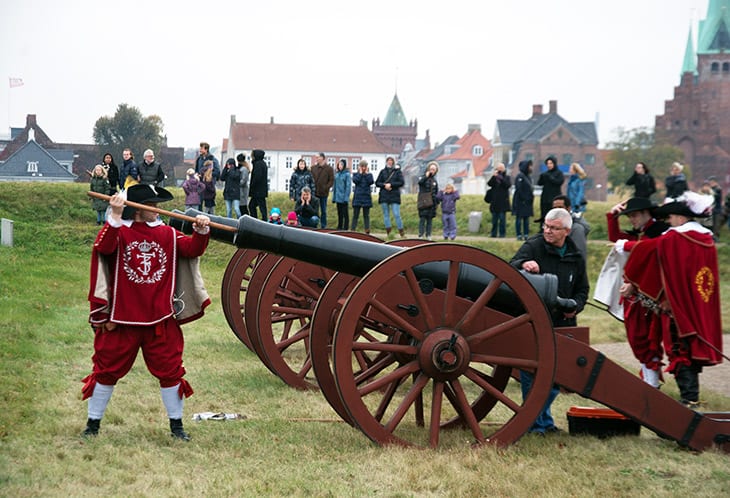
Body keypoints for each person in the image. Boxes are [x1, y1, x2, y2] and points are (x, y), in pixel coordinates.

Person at [83, 184, 211, 440]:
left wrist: (201, 230)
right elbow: (104, 247)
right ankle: (93, 425)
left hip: (160, 318)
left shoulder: (168, 234)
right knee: (106, 370)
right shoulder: (118, 232)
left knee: (171, 371)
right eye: (152, 206)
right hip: (121, 319)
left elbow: (193, 250)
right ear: (139, 210)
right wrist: (116, 216)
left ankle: (177, 427)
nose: (157, 210)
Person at [622, 192, 722, 406]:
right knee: (691, 344)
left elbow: (649, 251)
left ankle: (689, 398)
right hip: (698, 301)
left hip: (677, 304)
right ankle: (690, 394)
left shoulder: (675, 237)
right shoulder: (706, 240)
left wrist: (623, 246)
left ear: (680, 217)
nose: (668, 223)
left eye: (670, 218)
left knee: (678, 346)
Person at [510, 208, 589, 434]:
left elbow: (583, 289)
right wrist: (524, 265)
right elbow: (511, 265)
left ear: (567, 230)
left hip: (562, 322)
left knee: (556, 374)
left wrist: (576, 305)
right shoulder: (534, 246)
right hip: (535, 319)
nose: (547, 231)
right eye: (546, 226)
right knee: (532, 372)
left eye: (554, 228)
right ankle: (536, 422)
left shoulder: (575, 256)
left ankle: (541, 420)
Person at [601, 197, 669, 387]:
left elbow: (651, 259)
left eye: (635, 215)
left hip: (651, 296)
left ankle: (652, 382)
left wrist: (634, 283)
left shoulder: (658, 234)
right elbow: (616, 239)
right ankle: (650, 380)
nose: (632, 219)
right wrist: (612, 216)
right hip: (636, 297)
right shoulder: (641, 234)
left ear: (647, 213)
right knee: (638, 338)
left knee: (648, 339)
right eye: (629, 216)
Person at [551, 195, 590, 260]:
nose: (557, 211)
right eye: (555, 208)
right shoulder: (551, 224)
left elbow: (579, 252)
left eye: (560, 207)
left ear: (568, 208)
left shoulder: (577, 229)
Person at [375, 156, 405, 237]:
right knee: (386, 215)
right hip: (384, 195)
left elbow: (401, 182)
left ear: (393, 162)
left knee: (396, 214)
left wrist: (391, 184)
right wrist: (384, 185)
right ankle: (389, 233)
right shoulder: (382, 172)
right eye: (388, 160)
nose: (389, 162)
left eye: (391, 160)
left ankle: (401, 232)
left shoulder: (398, 172)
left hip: (394, 195)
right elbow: (377, 183)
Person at [486, 162, 511, 238]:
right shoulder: (494, 177)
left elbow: (507, 185)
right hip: (495, 202)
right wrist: (494, 176)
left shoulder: (507, 177)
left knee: (502, 219)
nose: (500, 170)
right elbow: (489, 184)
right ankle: (493, 234)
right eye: (498, 168)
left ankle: (502, 234)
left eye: (501, 168)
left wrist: (501, 178)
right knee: (494, 220)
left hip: (503, 202)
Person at [512, 159, 534, 241]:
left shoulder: (529, 177)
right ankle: (518, 234)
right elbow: (519, 189)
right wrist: (524, 198)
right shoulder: (520, 177)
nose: (531, 168)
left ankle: (526, 234)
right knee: (519, 219)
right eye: (529, 166)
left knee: (526, 219)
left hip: (527, 201)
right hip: (520, 201)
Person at [417, 161, 439, 240]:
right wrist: (426, 177)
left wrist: (437, 201)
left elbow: (436, 191)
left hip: (432, 202)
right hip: (423, 201)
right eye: (431, 169)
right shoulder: (423, 177)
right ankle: (420, 234)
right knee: (422, 219)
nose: (432, 171)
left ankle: (428, 235)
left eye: (434, 169)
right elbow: (420, 183)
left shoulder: (435, 180)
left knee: (429, 220)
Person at [351, 159, 374, 234]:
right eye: (362, 166)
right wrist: (360, 174)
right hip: (358, 197)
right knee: (355, 215)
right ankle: (353, 229)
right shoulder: (356, 174)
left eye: (365, 166)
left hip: (366, 197)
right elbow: (355, 181)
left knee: (366, 215)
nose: (363, 168)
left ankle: (367, 229)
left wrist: (366, 174)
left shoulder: (369, 175)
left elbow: (371, 182)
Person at [311, 152, 334, 228]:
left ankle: (323, 225)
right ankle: (314, 224)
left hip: (324, 193)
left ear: (323, 158)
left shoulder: (329, 169)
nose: (317, 159)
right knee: (314, 210)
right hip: (315, 193)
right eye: (316, 157)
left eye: (318, 157)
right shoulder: (313, 168)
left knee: (323, 211)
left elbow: (331, 180)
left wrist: (326, 187)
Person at [248, 149, 268, 221]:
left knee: (254, 206)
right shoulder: (262, 163)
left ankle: (257, 219)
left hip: (258, 190)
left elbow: (257, 177)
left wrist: (252, 185)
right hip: (260, 190)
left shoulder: (258, 164)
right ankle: (259, 219)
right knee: (257, 206)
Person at [332, 159, 351, 230]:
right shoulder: (337, 174)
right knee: (339, 213)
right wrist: (334, 198)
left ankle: (345, 227)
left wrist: (346, 198)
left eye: (341, 165)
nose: (340, 166)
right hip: (337, 197)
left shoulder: (347, 174)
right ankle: (339, 226)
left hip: (343, 197)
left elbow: (348, 186)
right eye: (339, 164)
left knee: (345, 213)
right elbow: (335, 187)